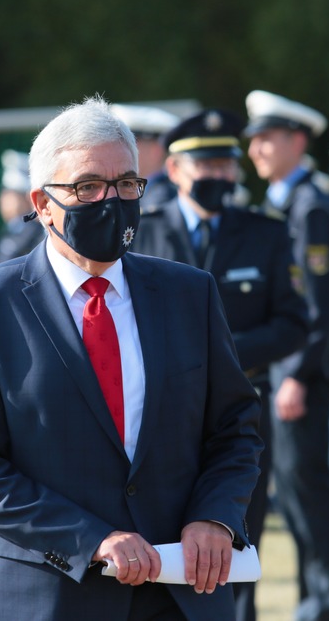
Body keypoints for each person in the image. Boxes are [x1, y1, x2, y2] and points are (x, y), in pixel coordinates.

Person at [0, 97, 262, 621]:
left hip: (177, 595)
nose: (112, 201)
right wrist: (93, 539)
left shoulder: (189, 294)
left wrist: (215, 518)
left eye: (127, 184)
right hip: (45, 596)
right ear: (41, 204)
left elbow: (234, 428)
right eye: (87, 187)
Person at [131, 107, 308, 621]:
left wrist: (221, 357)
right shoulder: (145, 230)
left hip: (240, 412)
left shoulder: (265, 234)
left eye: (226, 167)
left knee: (237, 543)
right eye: (206, 167)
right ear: (176, 169)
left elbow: (294, 323)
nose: (218, 177)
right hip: (161, 416)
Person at [245, 89, 329, 621]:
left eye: (268, 137)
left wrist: (301, 376)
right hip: (283, 375)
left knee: (308, 497)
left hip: (300, 379)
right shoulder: (282, 204)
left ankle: (326, 607)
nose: (257, 148)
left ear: (298, 140)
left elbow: (322, 310)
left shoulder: (312, 209)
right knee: (293, 495)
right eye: (254, 139)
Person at [110, 103, 181, 210]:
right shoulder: (147, 193)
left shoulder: (159, 200)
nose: (119, 151)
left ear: (156, 151)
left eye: (130, 144)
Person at [0, 149, 45, 265]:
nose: (1, 202)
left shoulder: (35, 231)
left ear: (28, 197)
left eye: (9, 195)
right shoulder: (12, 229)